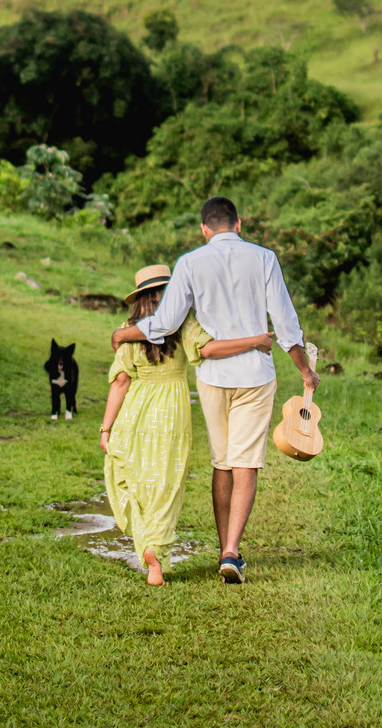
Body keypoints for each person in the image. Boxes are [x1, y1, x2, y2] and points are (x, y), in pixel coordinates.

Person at [111, 198, 317, 585]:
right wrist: (305, 369)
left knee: (222, 462)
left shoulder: (190, 262)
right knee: (246, 463)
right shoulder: (264, 258)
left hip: (212, 377)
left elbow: (167, 322)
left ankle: (225, 547)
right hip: (255, 375)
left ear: (205, 229)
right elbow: (286, 322)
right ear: (239, 223)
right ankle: (230, 552)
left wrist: (126, 332)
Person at [100, 263, 278, 586]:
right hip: (171, 410)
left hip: (136, 409)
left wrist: (106, 428)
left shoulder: (127, 331)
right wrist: (254, 341)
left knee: (133, 478)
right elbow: (209, 348)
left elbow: (120, 382)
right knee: (166, 484)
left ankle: (146, 546)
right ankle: (156, 548)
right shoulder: (183, 324)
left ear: (139, 299)